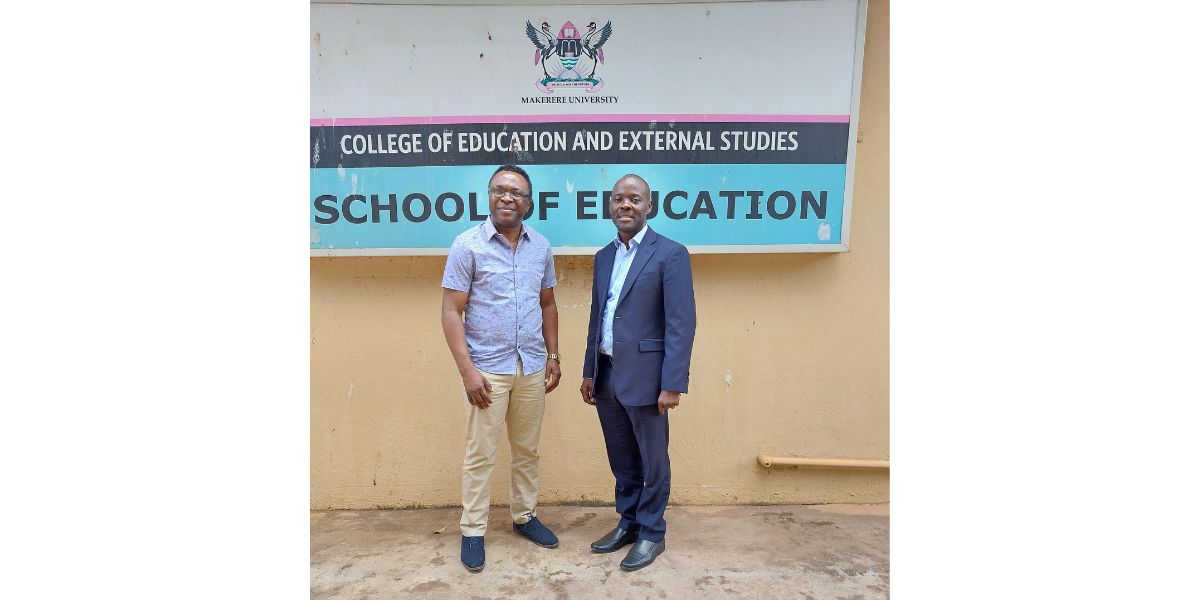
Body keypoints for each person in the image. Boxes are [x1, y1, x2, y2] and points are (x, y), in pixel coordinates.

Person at [441, 164, 562, 573]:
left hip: (530, 366)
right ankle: (473, 529)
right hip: (487, 370)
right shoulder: (467, 246)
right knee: (481, 454)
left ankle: (524, 516)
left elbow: (547, 304)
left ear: (529, 203)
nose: (506, 197)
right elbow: (451, 312)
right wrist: (467, 372)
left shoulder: (541, 247)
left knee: (527, 450)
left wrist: (554, 355)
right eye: (499, 190)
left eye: (516, 192)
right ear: (489, 196)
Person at [580, 173, 697, 571]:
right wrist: (589, 371)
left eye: (634, 199)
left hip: (649, 377)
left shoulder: (670, 253)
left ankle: (652, 532)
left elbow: (681, 322)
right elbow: (599, 317)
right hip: (608, 373)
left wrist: (673, 383)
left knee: (652, 460)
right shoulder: (603, 256)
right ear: (610, 206)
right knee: (622, 458)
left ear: (650, 206)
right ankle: (628, 521)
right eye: (618, 199)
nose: (625, 205)